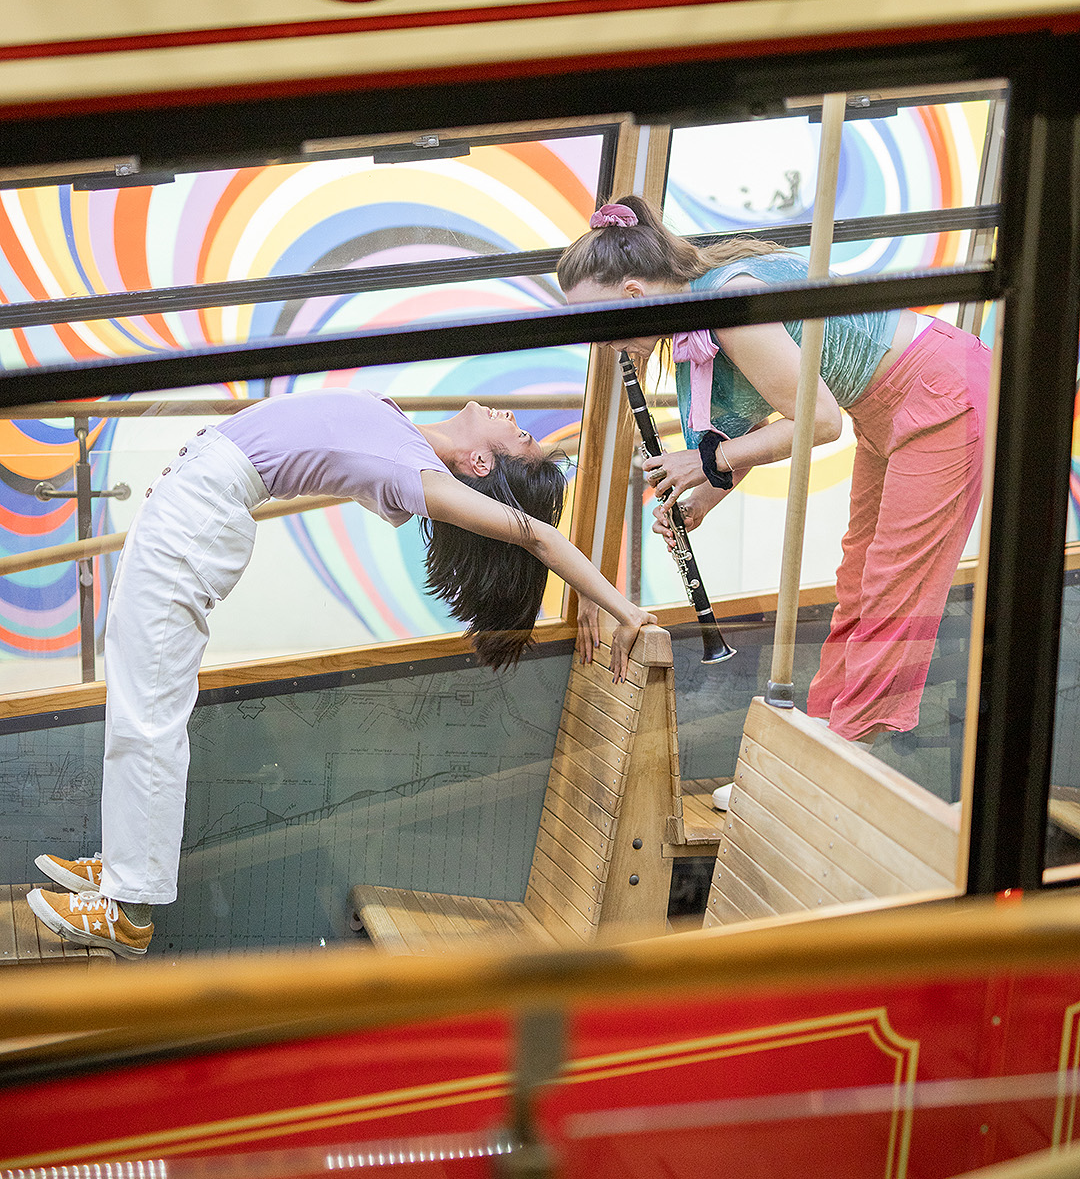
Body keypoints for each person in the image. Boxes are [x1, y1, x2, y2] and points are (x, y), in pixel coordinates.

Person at [27, 388, 655, 957]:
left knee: (149, 708)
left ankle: (126, 906)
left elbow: (537, 538)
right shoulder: (405, 435)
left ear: (482, 467)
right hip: (186, 506)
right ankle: (122, 866)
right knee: (137, 695)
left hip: (196, 514)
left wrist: (619, 607)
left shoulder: (417, 473)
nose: (516, 419)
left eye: (519, 438)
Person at [559, 194, 991, 752]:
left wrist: (705, 463)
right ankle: (821, 739)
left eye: (598, 324)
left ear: (635, 295)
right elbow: (754, 427)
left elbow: (818, 421)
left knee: (893, 583)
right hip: (888, 405)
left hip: (942, 392)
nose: (602, 343)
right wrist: (702, 498)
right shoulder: (698, 316)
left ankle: (845, 756)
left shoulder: (729, 304)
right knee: (858, 578)